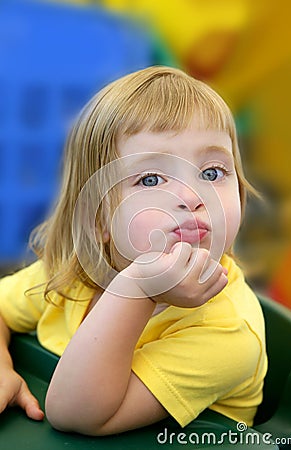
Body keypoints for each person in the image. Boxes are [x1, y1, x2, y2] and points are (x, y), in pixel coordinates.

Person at [0, 66, 267, 436]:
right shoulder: (75, 273)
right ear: (99, 219)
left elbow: (76, 415)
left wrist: (141, 285)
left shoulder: (227, 331)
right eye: (151, 179)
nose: (193, 197)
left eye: (211, 172)